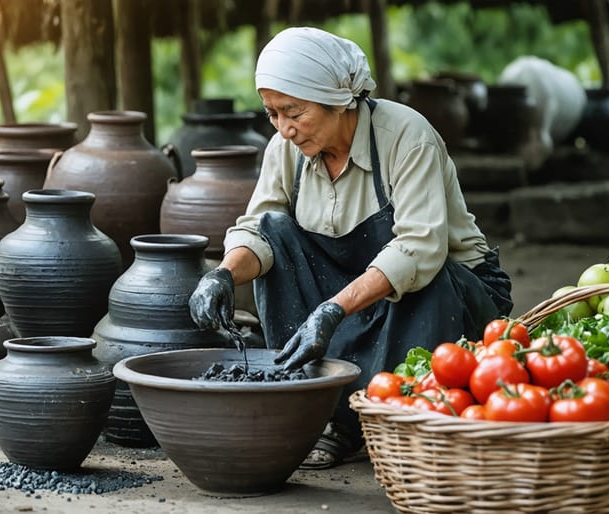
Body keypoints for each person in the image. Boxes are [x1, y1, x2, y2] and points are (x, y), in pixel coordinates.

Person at [188, 27, 513, 469]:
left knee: (430, 274)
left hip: (448, 297)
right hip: (352, 290)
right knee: (276, 232)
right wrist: (222, 274)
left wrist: (332, 310)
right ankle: (327, 415)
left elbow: (419, 248)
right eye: (271, 114)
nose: (283, 129)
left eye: (293, 112)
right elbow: (257, 232)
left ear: (336, 99)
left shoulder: (406, 137)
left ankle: (403, 417)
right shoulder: (285, 150)